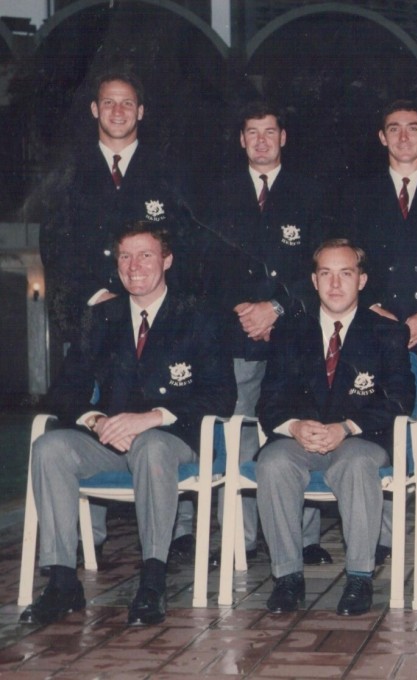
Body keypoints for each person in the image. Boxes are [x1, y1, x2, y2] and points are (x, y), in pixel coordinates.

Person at [20, 222, 235, 626]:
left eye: (146, 255)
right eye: (125, 257)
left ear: (167, 260)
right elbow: (64, 391)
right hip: (111, 443)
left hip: (171, 440)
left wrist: (152, 418)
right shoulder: (101, 317)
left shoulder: (198, 315)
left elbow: (222, 394)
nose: (134, 266)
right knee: (49, 447)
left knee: (150, 445)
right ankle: (63, 581)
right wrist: (96, 418)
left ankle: (152, 580)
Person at [39, 71, 196, 562]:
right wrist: (89, 304)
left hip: (154, 316)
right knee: (88, 414)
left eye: (127, 103)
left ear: (140, 112)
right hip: (92, 320)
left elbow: (184, 246)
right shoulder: (69, 172)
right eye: (109, 103)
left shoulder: (167, 171)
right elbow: (54, 248)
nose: (118, 111)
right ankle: (90, 537)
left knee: (163, 412)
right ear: (94, 110)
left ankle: (178, 532)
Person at [255, 239, 414, 616]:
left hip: (360, 438)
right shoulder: (289, 331)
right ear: (313, 281)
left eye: (346, 273)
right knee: (273, 462)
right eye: (326, 274)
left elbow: (399, 400)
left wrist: (346, 427)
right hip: (301, 441)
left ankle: (359, 577)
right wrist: (294, 426)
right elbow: (269, 401)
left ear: (362, 280)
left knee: (357, 465)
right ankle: (287, 577)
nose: (336, 284)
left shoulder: (387, 332)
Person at [343, 100, 417, 561]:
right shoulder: (359, 194)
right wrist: (373, 310)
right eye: (394, 128)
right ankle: (389, 540)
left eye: (414, 128)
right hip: (376, 341)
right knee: (386, 435)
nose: (404, 136)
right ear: (381, 137)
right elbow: (348, 261)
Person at [214, 101, 328, 565]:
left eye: (270, 131)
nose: (261, 139)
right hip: (238, 335)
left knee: (298, 430)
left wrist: (276, 308)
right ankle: (239, 541)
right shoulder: (218, 193)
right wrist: (243, 312)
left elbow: (324, 266)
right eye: (251, 131)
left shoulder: (312, 194)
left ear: (283, 137)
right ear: (241, 139)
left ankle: (306, 540)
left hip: (297, 336)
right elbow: (205, 268)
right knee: (238, 434)